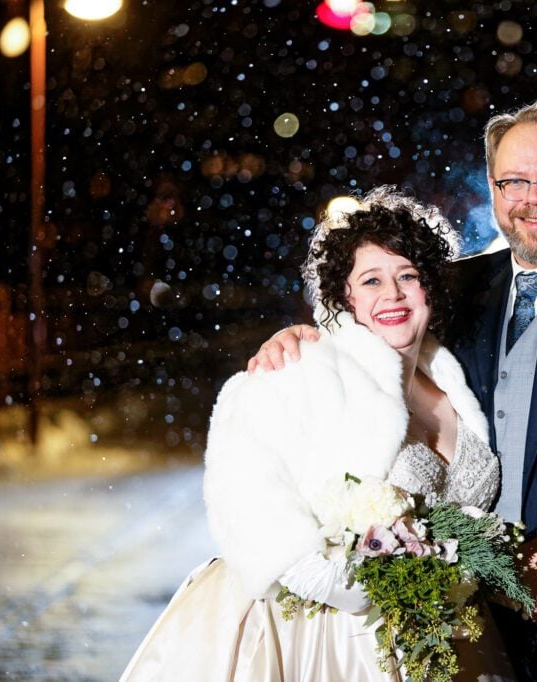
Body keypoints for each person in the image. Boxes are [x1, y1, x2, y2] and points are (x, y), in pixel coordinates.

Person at [251, 100, 537, 680]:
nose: (533, 199)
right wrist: (301, 336)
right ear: (493, 190)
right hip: (474, 614)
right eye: (514, 181)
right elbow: (377, 318)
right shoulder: (462, 286)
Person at [122, 187, 513, 681]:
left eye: (408, 276)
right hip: (321, 641)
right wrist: (350, 584)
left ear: (429, 288)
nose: (392, 294)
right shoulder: (299, 371)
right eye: (370, 280)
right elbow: (245, 500)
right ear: (343, 296)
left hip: (447, 638)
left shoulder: (457, 383)